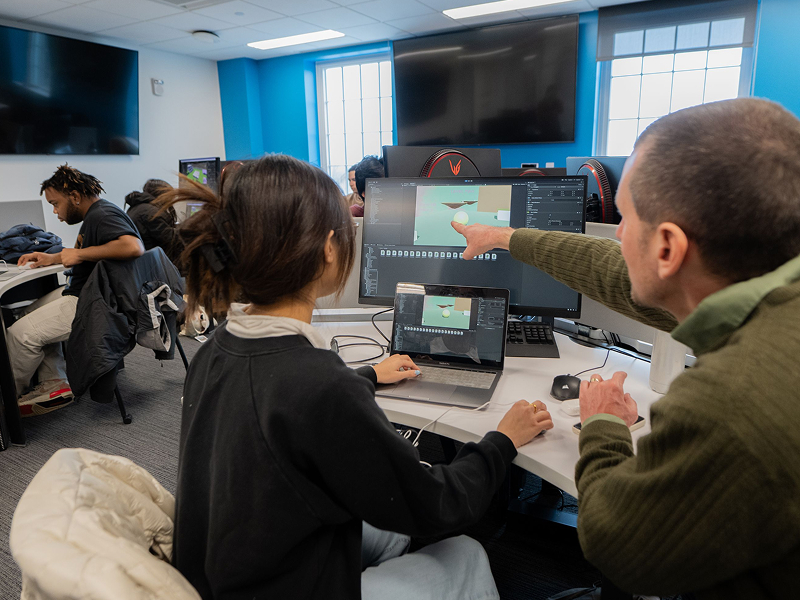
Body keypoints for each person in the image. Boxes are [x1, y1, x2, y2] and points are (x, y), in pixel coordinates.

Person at [452, 98, 800, 599]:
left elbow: (623, 547)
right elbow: (614, 272)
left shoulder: (733, 400)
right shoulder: (762, 290)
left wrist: (603, 425)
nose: (616, 234)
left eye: (625, 218)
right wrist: (504, 236)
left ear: (668, 249)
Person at [163, 154, 554, 600]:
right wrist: (501, 441)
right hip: (288, 585)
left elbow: (283, 402)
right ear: (329, 247)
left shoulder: (218, 349)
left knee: (391, 533)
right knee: (465, 553)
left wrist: (367, 375)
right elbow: (439, 505)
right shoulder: (319, 386)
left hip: (235, 565)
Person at [8, 165, 144, 414]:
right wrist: (54, 258)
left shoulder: (102, 215)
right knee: (27, 313)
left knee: (20, 335)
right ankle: (54, 382)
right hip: (85, 292)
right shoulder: (97, 214)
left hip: (95, 301)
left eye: (55, 203)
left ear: (74, 196)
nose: (55, 211)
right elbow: (86, 256)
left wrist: (78, 254)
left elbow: (133, 247)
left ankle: (6, 403)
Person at [124, 178, 182, 265]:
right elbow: (170, 240)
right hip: (154, 264)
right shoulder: (152, 213)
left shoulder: (137, 207)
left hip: (141, 262)